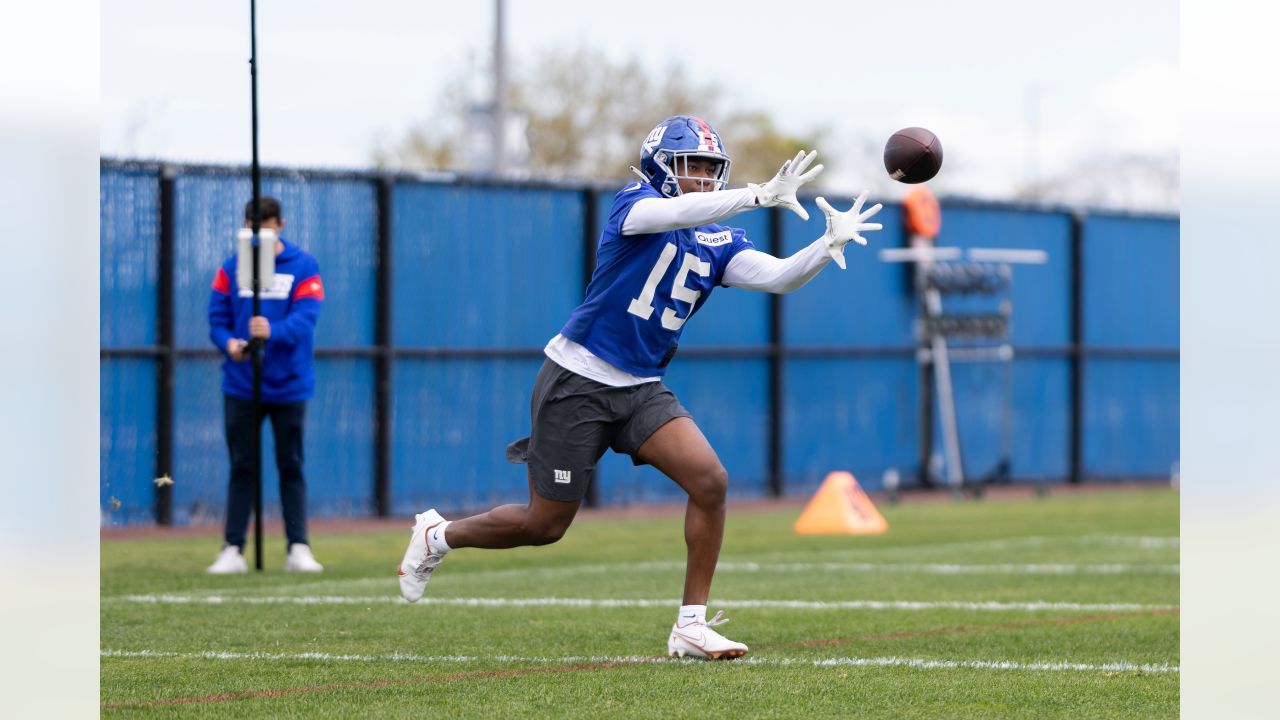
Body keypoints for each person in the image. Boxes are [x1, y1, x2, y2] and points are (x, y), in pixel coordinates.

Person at [397, 115, 882, 658]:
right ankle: (438, 535)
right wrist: (756, 195)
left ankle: (690, 626)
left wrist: (824, 246)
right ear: (660, 165)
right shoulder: (634, 205)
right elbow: (674, 212)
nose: (700, 178)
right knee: (545, 525)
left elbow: (777, 277)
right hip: (579, 379)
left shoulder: (719, 235)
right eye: (690, 166)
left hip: (641, 387)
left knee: (710, 481)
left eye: (708, 169)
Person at [206, 196, 326, 574]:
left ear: (281, 224)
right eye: (252, 224)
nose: (259, 232)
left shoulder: (304, 266)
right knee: (242, 465)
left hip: (289, 385)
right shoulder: (230, 268)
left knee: (290, 464)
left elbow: (306, 320)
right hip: (242, 384)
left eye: (267, 224)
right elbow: (217, 319)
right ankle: (232, 549)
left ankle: (298, 547)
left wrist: (271, 331)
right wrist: (230, 344)